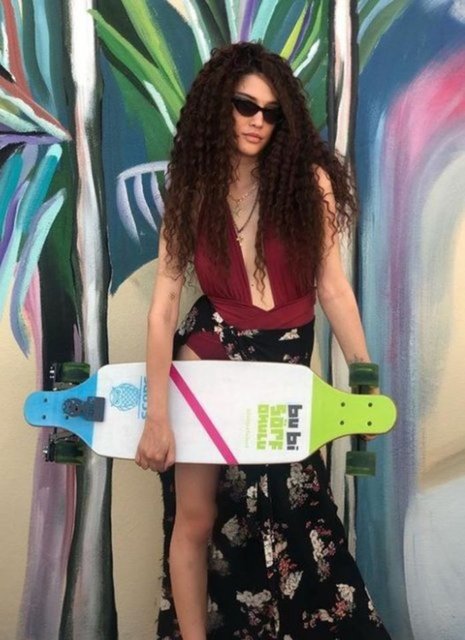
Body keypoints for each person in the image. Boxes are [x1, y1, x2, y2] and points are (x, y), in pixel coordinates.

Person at [135, 42, 391, 640]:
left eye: (271, 112)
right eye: (245, 105)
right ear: (218, 107)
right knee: (196, 518)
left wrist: (365, 383)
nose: (257, 120)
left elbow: (333, 287)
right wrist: (156, 416)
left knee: (300, 515)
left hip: (285, 366)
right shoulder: (192, 189)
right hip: (210, 358)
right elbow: (164, 302)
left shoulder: (309, 184)